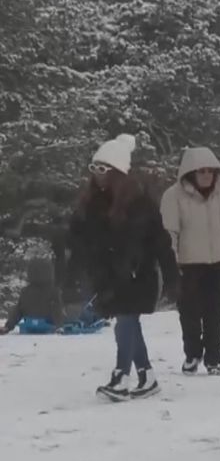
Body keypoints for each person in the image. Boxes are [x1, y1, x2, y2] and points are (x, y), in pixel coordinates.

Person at [66, 135, 178, 400]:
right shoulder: (90, 205)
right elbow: (79, 242)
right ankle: (147, 376)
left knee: (126, 321)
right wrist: (72, 275)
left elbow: (161, 243)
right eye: (94, 168)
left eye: (103, 169)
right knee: (128, 323)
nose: (97, 175)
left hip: (137, 275)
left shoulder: (139, 203)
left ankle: (121, 377)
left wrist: (173, 278)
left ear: (117, 172)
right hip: (109, 277)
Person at [160, 147, 220, 376]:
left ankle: (214, 356)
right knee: (190, 311)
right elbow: (169, 232)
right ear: (190, 173)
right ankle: (193, 353)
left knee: (216, 310)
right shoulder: (173, 196)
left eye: (210, 171)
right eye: (201, 171)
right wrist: (169, 262)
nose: (206, 175)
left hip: (219, 261)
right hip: (188, 263)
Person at [1, 260, 64, 335]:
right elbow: (57, 308)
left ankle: (8, 327)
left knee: (18, 307)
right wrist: (59, 324)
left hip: (30, 319)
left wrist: (8, 325)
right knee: (56, 305)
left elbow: (18, 311)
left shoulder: (25, 291)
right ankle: (59, 327)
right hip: (48, 321)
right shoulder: (53, 290)